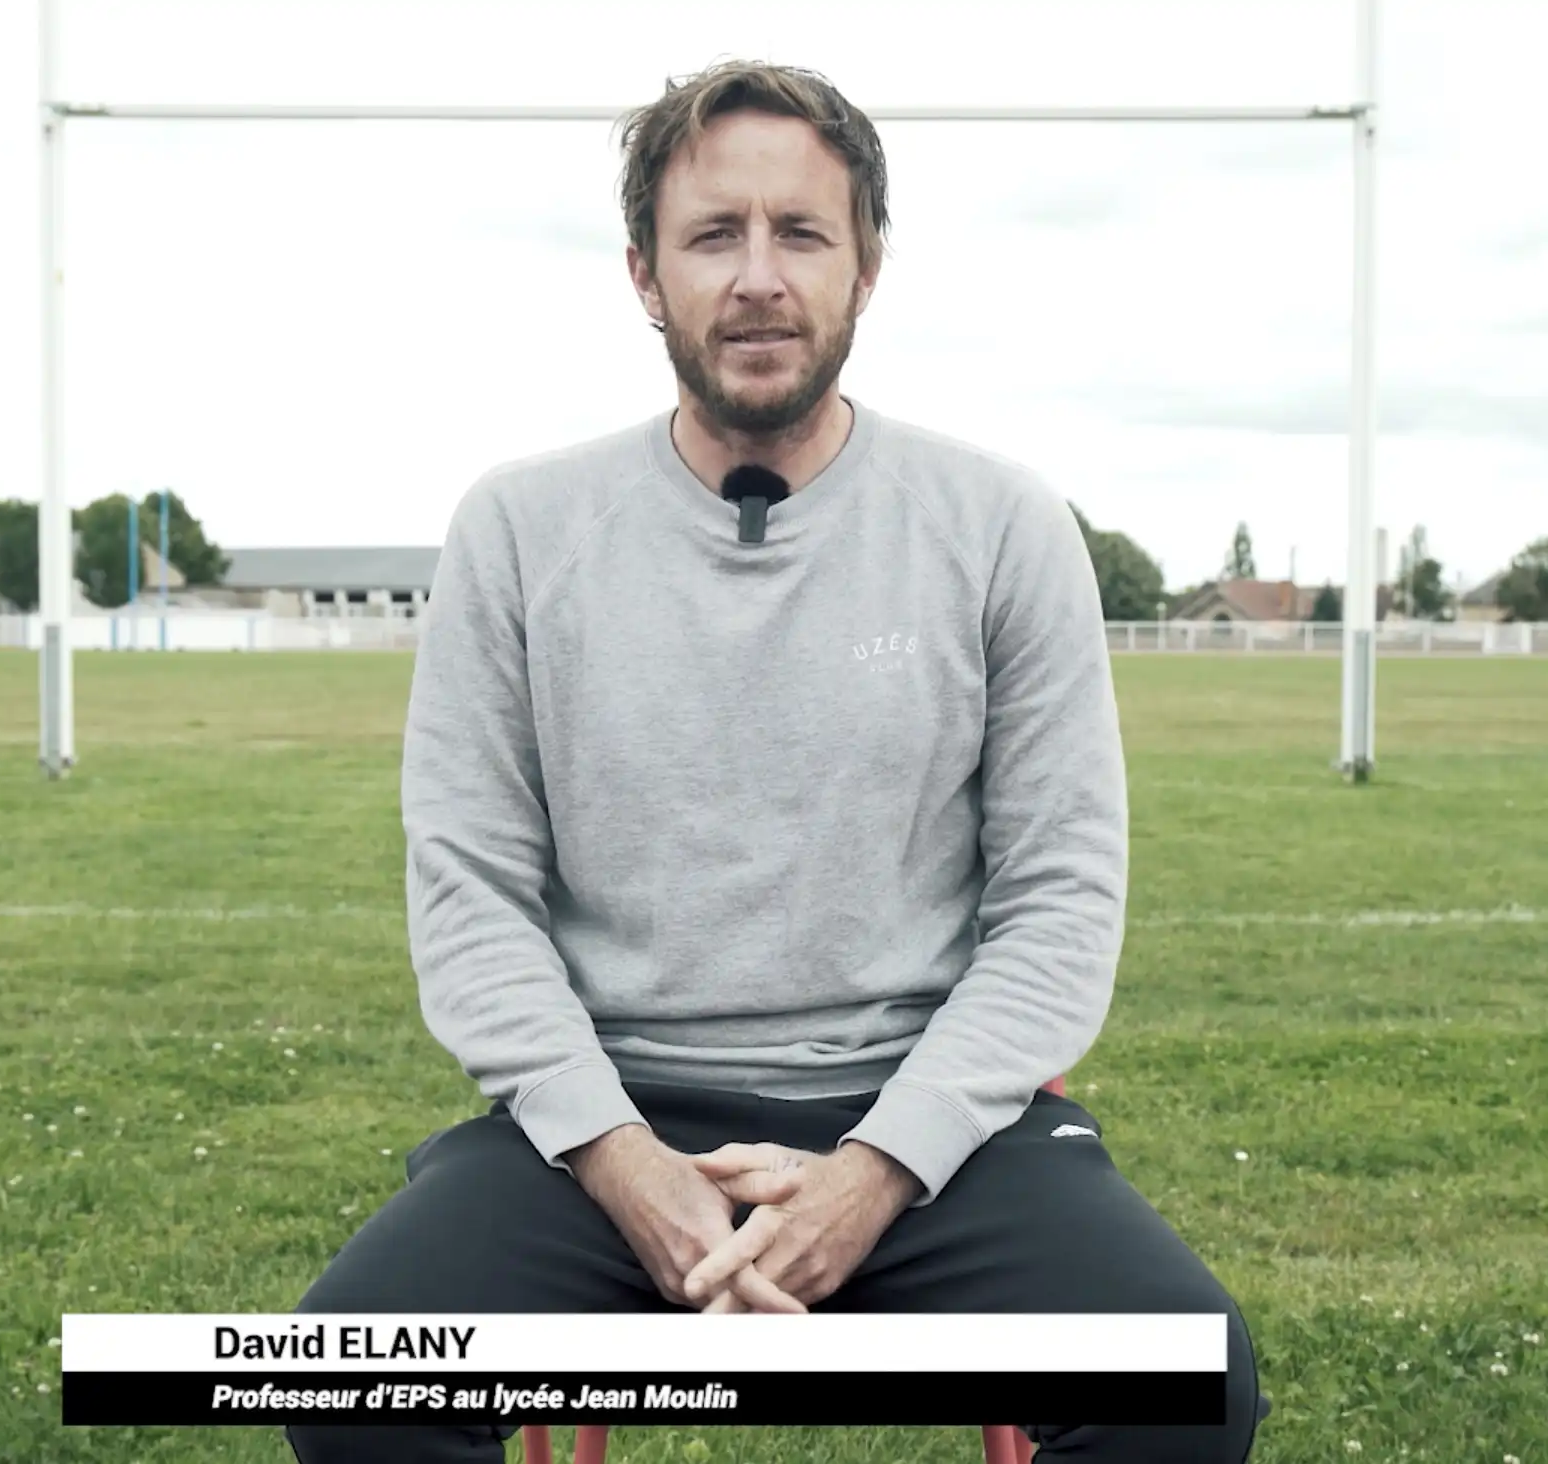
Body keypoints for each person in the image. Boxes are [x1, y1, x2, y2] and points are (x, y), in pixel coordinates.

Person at [287, 59, 1262, 1464]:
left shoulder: (1001, 525)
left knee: (1189, 1387)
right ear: (643, 273)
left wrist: (874, 1171)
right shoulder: (516, 529)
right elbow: (471, 901)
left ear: (867, 266)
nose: (757, 277)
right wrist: (626, 1167)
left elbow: (1057, 905)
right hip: (603, 1118)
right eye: (711, 235)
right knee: (353, 1394)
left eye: (801, 233)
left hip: (932, 1120)